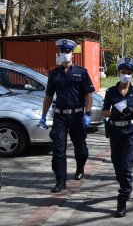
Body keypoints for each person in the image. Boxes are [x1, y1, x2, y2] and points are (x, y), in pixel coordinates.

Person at [39, 39, 95, 193]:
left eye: (67, 51)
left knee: (81, 149)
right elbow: (48, 96)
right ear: (58, 54)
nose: (65, 54)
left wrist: (88, 113)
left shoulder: (81, 72)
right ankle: (60, 180)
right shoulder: (54, 74)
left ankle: (80, 167)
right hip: (59, 117)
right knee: (58, 150)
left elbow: (89, 95)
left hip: (77, 116)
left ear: (72, 54)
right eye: (62, 52)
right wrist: (43, 115)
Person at [101, 57, 133, 217]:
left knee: (127, 166)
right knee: (117, 166)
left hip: (131, 131)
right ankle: (124, 186)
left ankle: (122, 198)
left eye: (129, 73)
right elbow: (103, 112)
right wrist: (113, 112)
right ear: (118, 73)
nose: (126, 75)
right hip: (115, 132)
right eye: (123, 72)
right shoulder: (111, 92)